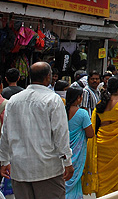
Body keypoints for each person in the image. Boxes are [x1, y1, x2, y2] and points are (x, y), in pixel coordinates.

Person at [0, 62, 73, 199]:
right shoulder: (53, 100)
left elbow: (5, 134)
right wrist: (67, 162)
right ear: (48, 77)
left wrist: (4, 160)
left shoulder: (13, 101)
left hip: (20, 169)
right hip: (47, 169)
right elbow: (61, 135)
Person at [64, 86, 94, 199]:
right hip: (77, 151)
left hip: (64, 151)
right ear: (78, 98)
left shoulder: (62, 111)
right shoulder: (82, 113)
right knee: (75, 177)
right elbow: (90, 133)